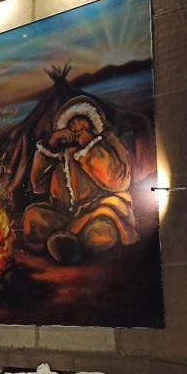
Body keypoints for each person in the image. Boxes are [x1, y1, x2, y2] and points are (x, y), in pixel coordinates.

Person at [22, 95, 139, 264]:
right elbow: (37, 185)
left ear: (92, 123)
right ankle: (65, 241)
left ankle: (73, 246)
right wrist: (51, 146)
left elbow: (116, 181)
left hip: (100, 210)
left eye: (80, 122)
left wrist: (90, 147)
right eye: (71, 124)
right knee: (33, 218)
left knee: (101, 232)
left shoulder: (106, 142)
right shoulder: (60, 152)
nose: (75, 127)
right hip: (65, 214)